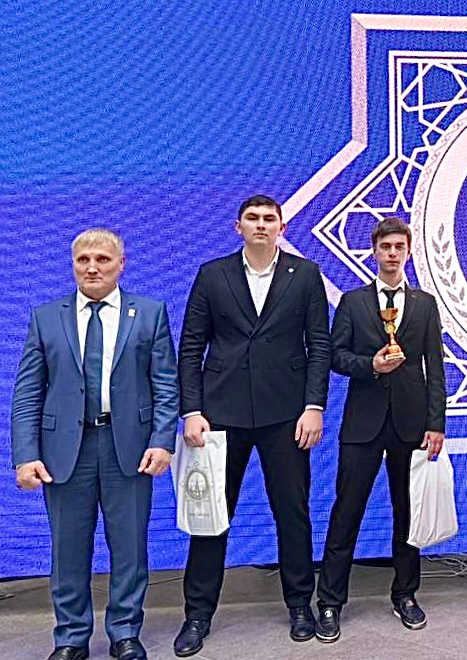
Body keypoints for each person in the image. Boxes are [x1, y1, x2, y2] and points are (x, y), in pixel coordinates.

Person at [174, 194, 331, 657]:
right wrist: (191, 410)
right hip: (220, 416)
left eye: (269, 219)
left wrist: (314, 406)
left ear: (282, 227)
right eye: (252, 218)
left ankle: (300, 605)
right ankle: (197, 615)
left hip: (287, 414)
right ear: (237, 226)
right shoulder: (212, 274)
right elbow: (191, 347)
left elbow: (319, 345)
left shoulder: (305, 274)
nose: (261, 224)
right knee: (211, 518)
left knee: (292, 514)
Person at [11, 228, 179, 660]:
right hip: (64, 452)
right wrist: (25, 455)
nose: (92, 268)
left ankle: (125, 632)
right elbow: (27, 393)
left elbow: (165, 385)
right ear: (72, 265)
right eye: (83, 260)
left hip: (130, 449)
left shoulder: (150, 313)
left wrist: (163, 441)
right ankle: (70, 637)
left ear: (121, 264)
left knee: (130, 548)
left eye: (102, 259)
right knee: (68, 549)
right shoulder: (46, 317)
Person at [315, 217, 446, 640]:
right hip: (362, 423)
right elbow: (335, 356)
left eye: (399, 247)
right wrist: (370, 365)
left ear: (408, 252)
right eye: (385, 246)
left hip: (411, 424)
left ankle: (405, 594)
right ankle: (330, 602)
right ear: (374, 251)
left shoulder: (425, 304)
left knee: (408, 513)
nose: (392, 253)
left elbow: (435, 367)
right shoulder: (353, 302)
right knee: (346, 512)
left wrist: (436, 423)